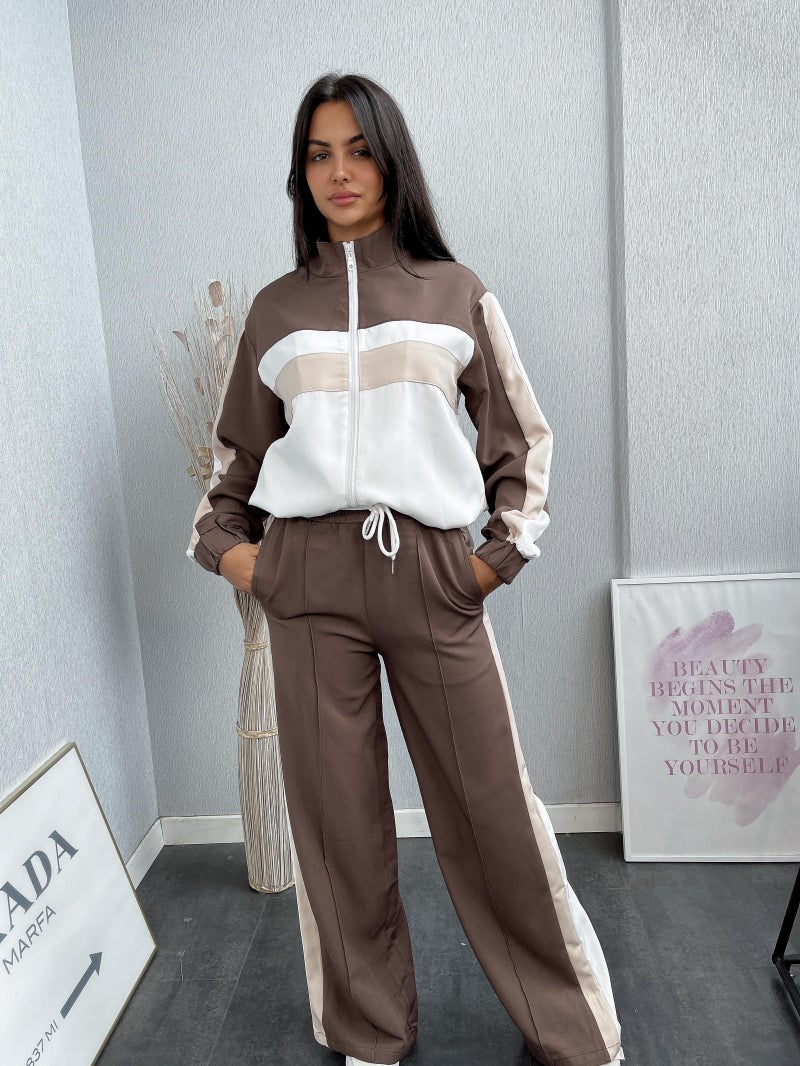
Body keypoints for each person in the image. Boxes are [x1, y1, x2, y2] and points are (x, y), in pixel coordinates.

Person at [187, 73, 624, 1066]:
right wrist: (249, 563)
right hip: (307, 582)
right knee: (336, 823)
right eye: (318, 154)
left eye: (358, 150)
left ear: (391, 161)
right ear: (299, 172)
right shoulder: (273, 312)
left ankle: (572, 1032)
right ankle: (369, 1033)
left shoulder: (453, 292)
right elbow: (230, 471)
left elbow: (522, 442)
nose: (338, 172)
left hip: (427, 569)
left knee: (491, 811)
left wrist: (489, 563)